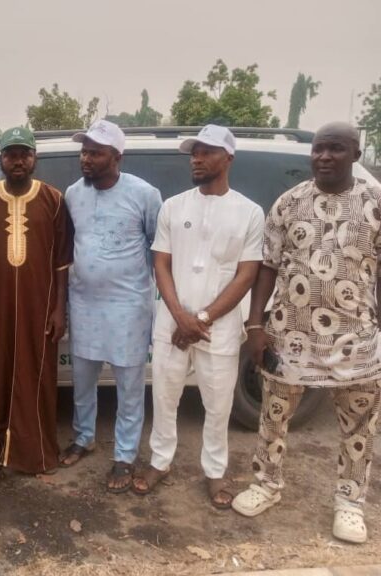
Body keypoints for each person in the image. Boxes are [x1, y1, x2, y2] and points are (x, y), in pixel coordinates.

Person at [232, 122, 381, 543]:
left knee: (359, 427)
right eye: (318, 149)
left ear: (356, 154)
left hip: (357, 339)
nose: (324, 157)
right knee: (273, 417)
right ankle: (266, 483)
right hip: (290, 337)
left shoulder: (375, 202)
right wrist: (256, 325)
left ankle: (350, 502)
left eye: (335, 149)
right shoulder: (289, 203)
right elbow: (268, 267)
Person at [133, 125, 264, 507]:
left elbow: (247, 274)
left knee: (218, 405)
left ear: (228, 158)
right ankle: (160, 462)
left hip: (218, 330)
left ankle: (215, 472)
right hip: (172, 324)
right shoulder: (174, 207)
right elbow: (161, 263)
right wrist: (180, 316)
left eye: (207, 152)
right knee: (165, 397)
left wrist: (201, 319)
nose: (197, 159)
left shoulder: (249, 212)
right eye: (194, 153)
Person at [61, 119, 162, 493]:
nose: (86, 159)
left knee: (129, 386)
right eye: (84, 151)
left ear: (117, 157)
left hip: (127, 305)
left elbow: (157, 248)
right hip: (83, 302)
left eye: (95, 153)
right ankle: (83, 437)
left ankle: (125, 455)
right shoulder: (73, 193)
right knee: (82, 379)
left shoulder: (144, 194)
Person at [0, 127, 73, 475]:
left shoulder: (53, 199)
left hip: (39, 306)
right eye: (11, 155)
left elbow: (62, 261)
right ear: (1, 159)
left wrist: (59, 308)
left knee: (39, 375)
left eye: (24, 155)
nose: (17, 161)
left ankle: (37, 450)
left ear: (35, 158)